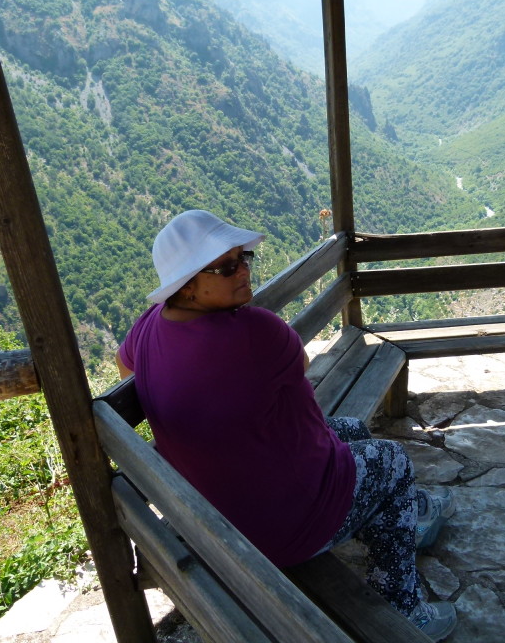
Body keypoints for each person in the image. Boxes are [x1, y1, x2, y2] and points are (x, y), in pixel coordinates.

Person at [116, 209, 457, 640]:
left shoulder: (148, 328)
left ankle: (403, 516)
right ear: (186, 286)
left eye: (244, 258)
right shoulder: (256, 330)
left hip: (216, 505)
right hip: (280, 526)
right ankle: (404, 608)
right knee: (392, 460)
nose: (242, 271)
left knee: (350, 428)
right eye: (225, 267)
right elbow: (300, 363)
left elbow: (123, 363)